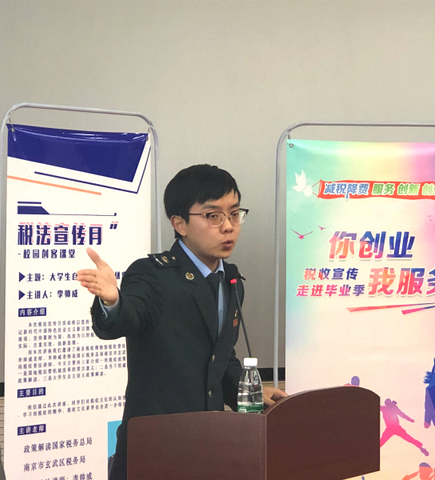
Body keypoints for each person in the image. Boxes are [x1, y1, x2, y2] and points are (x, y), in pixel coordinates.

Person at [77, 164, 287, 480]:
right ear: (180, 223)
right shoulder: (152, 274)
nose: (228, 227)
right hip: (156, 450)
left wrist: (252, 393)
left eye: (234, 214)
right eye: (213, 216)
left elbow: (219, 357)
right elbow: (124, 319)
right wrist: (112, 301)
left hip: (212, 446)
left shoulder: (231, 280)